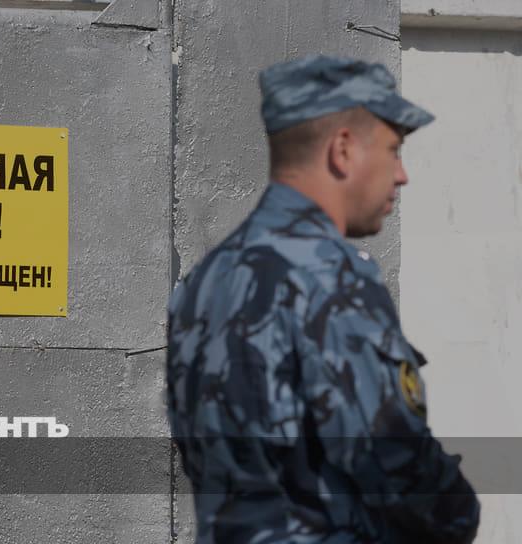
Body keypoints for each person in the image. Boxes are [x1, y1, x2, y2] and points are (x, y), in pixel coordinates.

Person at [166, 55, 480, 543]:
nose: (401, 175)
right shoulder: (329, 279)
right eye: (393, 150)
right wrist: (460, 509)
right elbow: (395, 465)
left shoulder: (204, 283)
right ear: (343, 150)